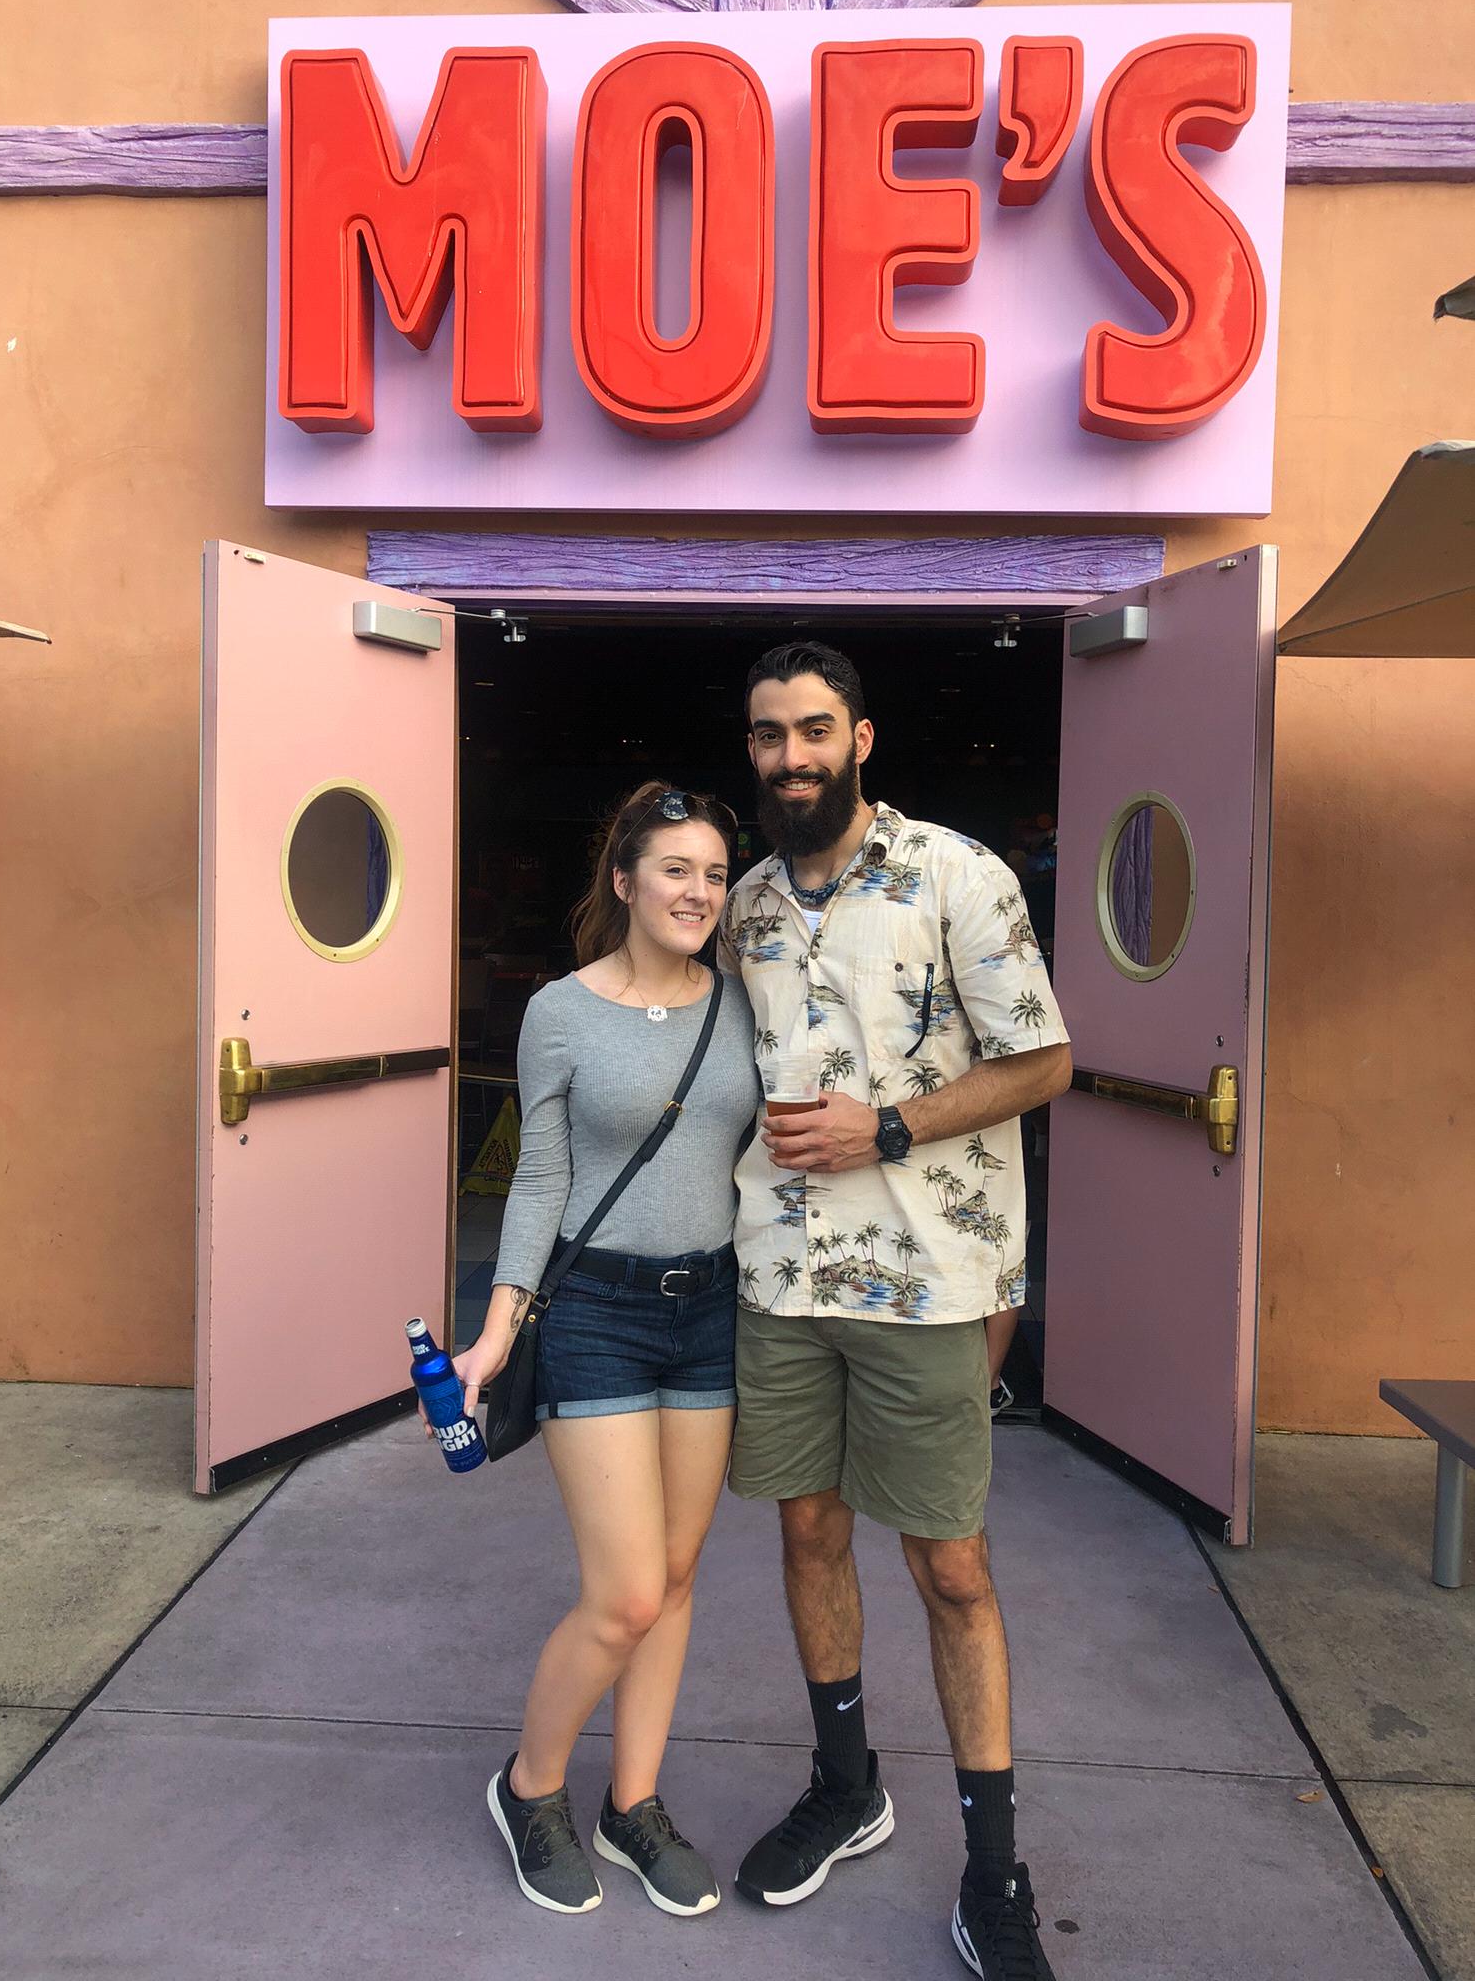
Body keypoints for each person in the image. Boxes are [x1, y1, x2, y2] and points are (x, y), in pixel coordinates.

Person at [718, 644, 1073, 1979]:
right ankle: (846, 1784)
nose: (792, 755)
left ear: (860, 739)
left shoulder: (955, 874)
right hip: (782, 1275)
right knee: (808, 1533)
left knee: (952, 1568)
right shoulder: (744, 904)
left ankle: (995, 1873)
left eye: (814, 730)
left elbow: (1046, 1059)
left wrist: (890, 1125)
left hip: (925, 1282)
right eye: (770, 735)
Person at [445, 783, 758, 1920]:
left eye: (714, 873)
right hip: (596, 1312)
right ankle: (531, 1786)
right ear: (624, 881)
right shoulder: (561, 1011)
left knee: (674, 1578)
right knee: (624, 1593)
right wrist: (497, 1327)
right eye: (675, 869)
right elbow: (541, 1177)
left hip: (710, 1310)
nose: (698, 892)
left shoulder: (744, 1004)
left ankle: (634, 1802)